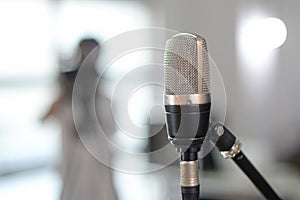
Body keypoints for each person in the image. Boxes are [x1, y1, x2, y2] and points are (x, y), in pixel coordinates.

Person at [42, 38, 118, 200]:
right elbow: (45, 117)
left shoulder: (103, 96)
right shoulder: (67, 94)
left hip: (99, 157)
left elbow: (110, 128)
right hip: (74, 158)